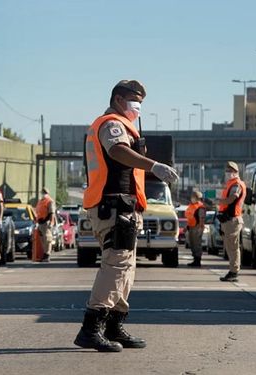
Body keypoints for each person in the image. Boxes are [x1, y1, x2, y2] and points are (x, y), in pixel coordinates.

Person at [74, 80, 179, 352]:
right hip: (113, 205)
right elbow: (117, 151)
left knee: (126, 268)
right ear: (119, 100)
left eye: (141, 101)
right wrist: (154, 166)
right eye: (134, 100)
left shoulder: (118, 124)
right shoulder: (112, 124)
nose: (138, 106)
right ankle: (90, 328)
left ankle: (113, 326)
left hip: (123, 207)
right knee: (116, 265)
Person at [216, 161, 246, 282]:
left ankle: (234, 272)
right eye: (227, 170)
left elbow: (233, 198)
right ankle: (233, 270)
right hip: (229, 220)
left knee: (233, 247)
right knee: (230, 246)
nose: (228, 172)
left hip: (233, 219)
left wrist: (219, 202)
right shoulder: (231, 183)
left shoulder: (236, 184)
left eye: (230, 170)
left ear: (236, 172)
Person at [185, 191, 206, 267]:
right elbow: (189, 218)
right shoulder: (192, 206)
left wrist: (201, 227)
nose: (191, 198)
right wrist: (186, 227)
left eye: (193, 197)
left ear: (197, 198)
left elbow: (202, 218)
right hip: (191, 227)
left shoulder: (200, 207)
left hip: (197, 227)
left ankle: (197, 260)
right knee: (192, 243)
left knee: (197, 244)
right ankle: (195, 259)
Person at [35, 187, 56, 263]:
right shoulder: (40, 201)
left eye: (44, 192)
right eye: (43, 192)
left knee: (47, 239)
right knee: (43, 240)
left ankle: (47, 255)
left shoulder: (50, 201)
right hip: (40, 223)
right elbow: (37, 212)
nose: (43, 194)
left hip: (46, 222)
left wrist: (51, 222)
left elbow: (52, 213)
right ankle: (44, 254)